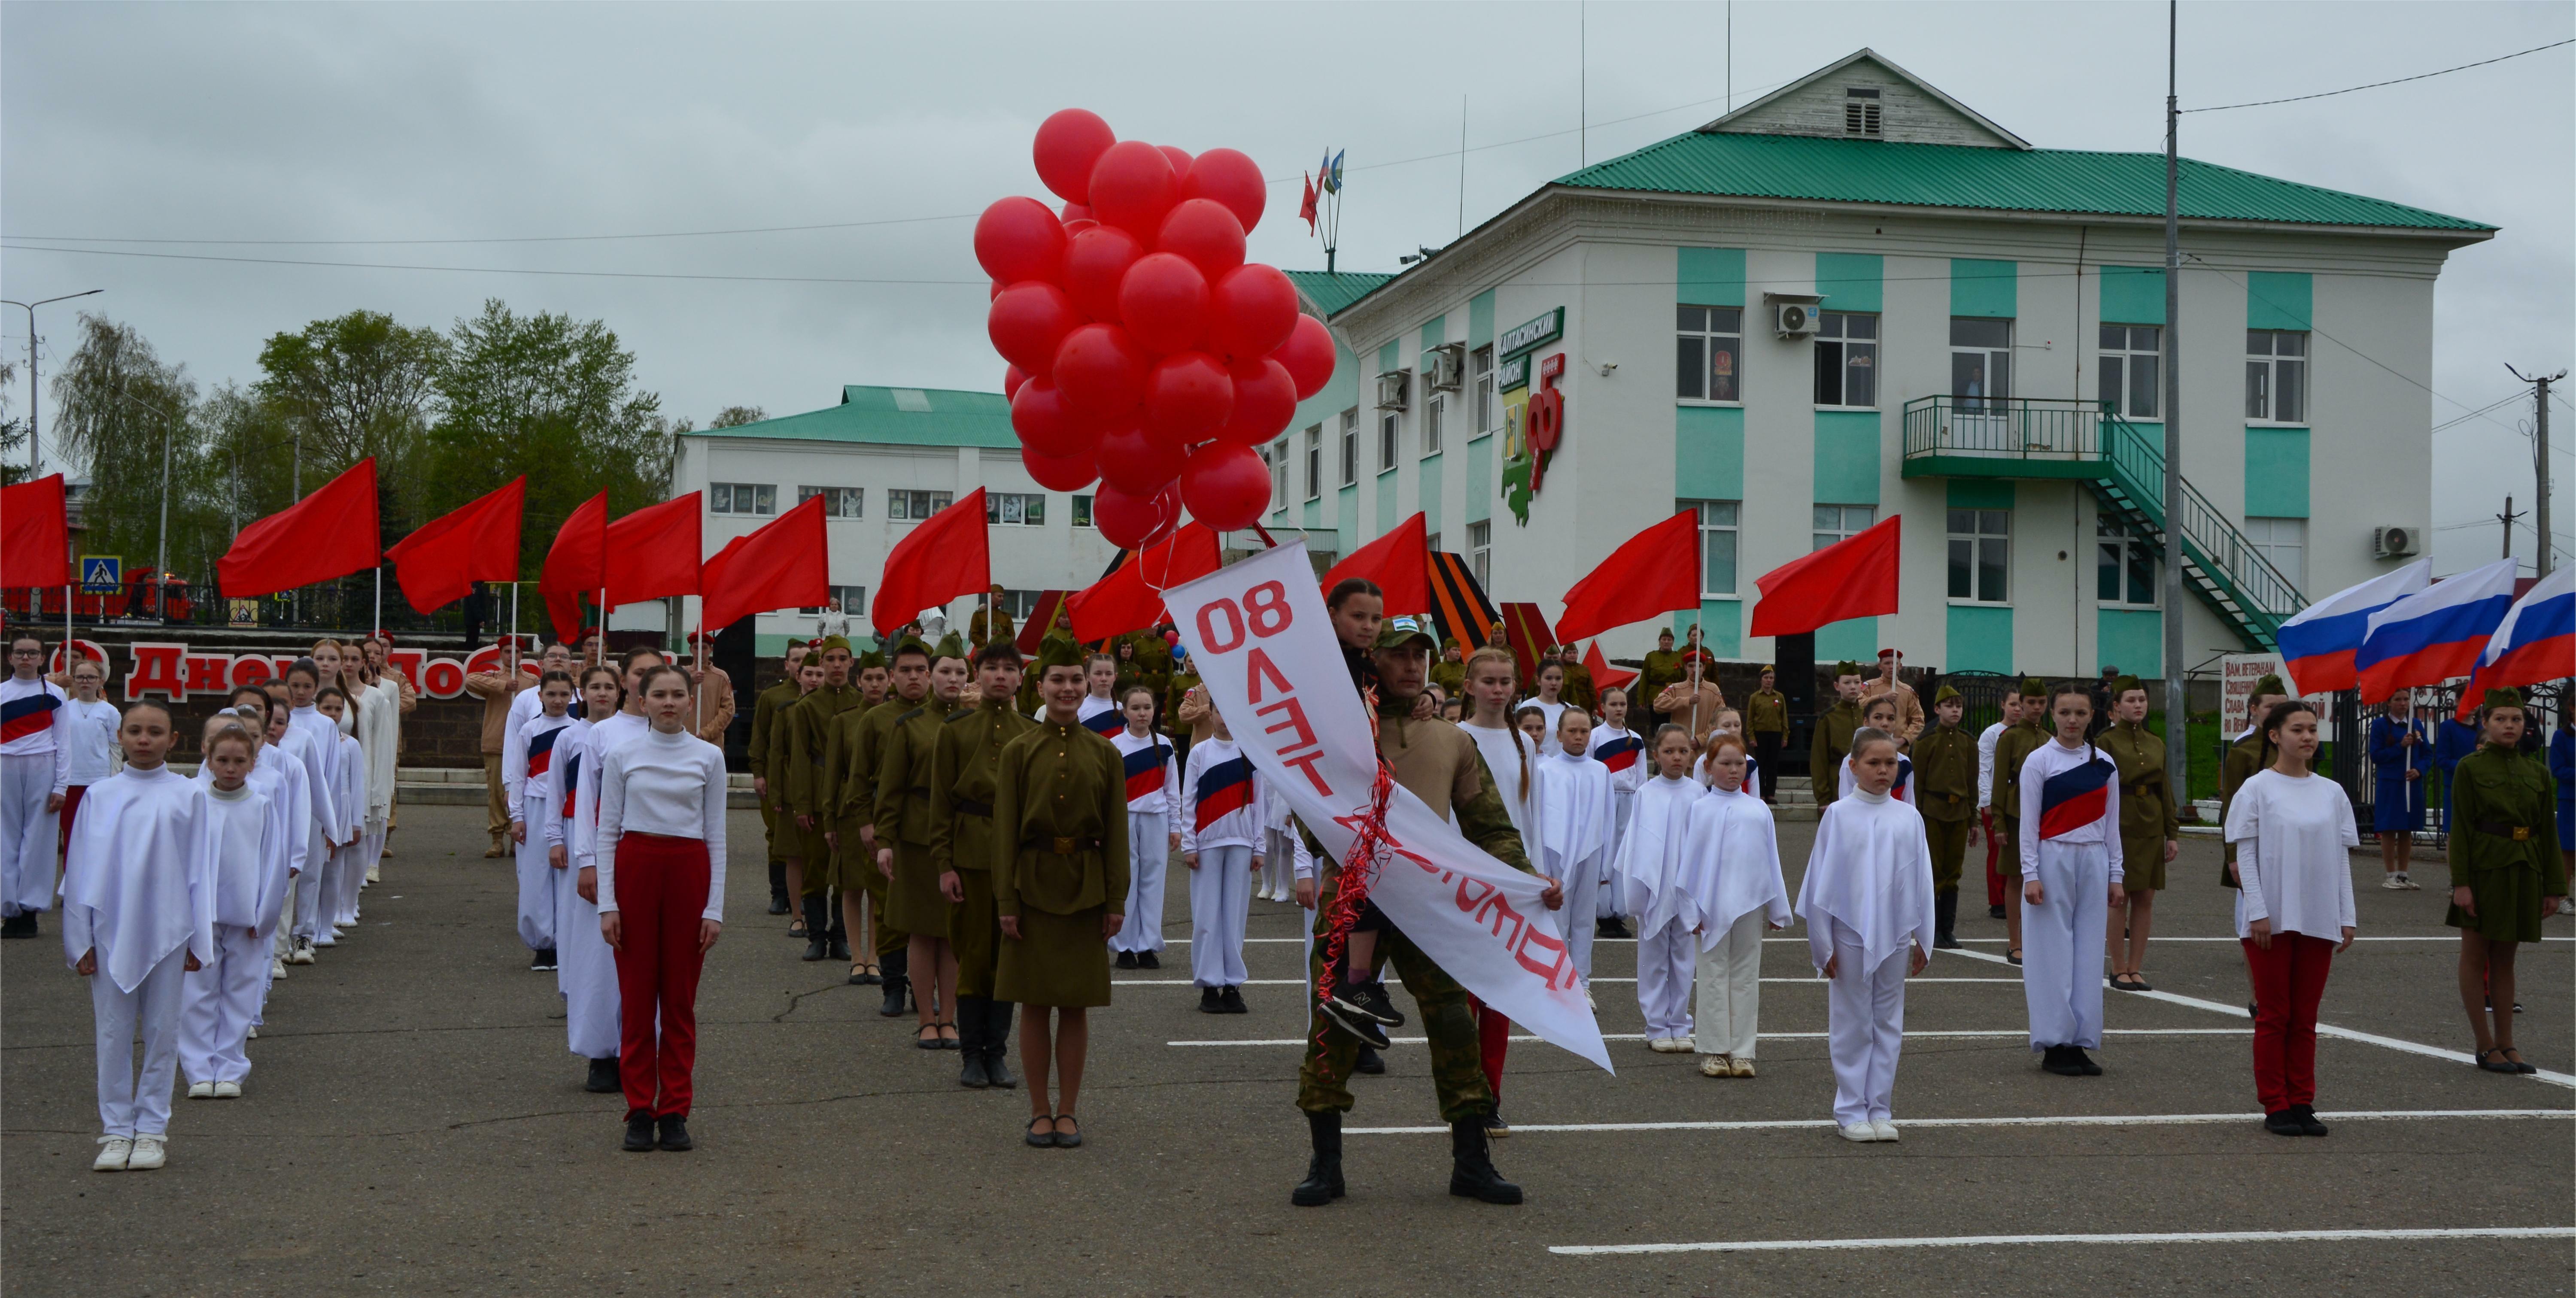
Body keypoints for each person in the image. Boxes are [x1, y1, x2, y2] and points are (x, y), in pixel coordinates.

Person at [1291, 616, 1553, 1208]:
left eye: (1421, 655)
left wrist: (1525, 878)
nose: (1413, 665)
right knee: (1331, 1030)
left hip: (1429, 906)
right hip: (1352, 905)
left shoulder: (1451, 739)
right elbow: (1311, 824)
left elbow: (1491, 826)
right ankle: (1325, 1166)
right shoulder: (1343, 738)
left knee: (1456, 1028)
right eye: (1399, 654)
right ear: (1373, 662)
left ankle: (1471, 1161)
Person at [62, 700, 214, 1172]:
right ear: (121, 737)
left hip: (170, 929)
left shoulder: (189, 795)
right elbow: (79, 867)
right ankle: (115, 1130)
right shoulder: (100, 796)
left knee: (162, 1031)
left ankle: (151, 1129)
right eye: (134, 731)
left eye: (154, 732)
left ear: (173, 740)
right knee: (111, 1033)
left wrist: (199, 940)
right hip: (110, 930)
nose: (143, 739)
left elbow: (199, 872)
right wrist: (79, 939)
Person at [993, 638, 1127, 1149]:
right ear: (1041, 685)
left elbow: (1117, 833)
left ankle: (1068, 1110)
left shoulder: (1105, 753)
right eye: (1058, 680)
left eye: (1076, 679)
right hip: (1032, 888)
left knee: (1075, 1005)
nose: (1068, 689)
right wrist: (1006, 901)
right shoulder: (1018, 751)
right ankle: (1038, 1110)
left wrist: (1116, 899)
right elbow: (1005, 831)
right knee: (1033, 1003)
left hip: (1087, 889)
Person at [596, 663, 726, 1153]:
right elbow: (608, 830)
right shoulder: (623, 753)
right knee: (636, 999)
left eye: (678, 694)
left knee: (678, 1001)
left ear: (691, 701)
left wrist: (713, 908)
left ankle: (674, 1109)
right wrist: (609, 903)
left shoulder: (709, 757)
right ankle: (638, 1110)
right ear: (642, 700)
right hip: (636, 869)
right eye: (660, 695)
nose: (669, 703)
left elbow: (717, 836)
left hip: (688, 870)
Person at [2225, 698, 2358, 1136]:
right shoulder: (2258, 788)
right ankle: (2275, 1104)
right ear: (2275, 735)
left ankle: (2302, 1100)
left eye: (2312, 730)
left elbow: (2340, 858)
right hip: (2271, 921)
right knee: (2275, 1014)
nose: (2307, 737)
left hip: (2318, 916)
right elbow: (2245, 853)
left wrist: (2346, 914)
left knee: (2305, 1017)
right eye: (2298, 729)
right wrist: (2259, 911)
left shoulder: (2331, 792)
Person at [1796, 725, 1934, 1143]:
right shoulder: (1839, 815)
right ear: (1853, 766)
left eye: (1890, 763)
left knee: (1888, 1022)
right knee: (1853, 1020)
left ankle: (1881, 1107)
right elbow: (1822, 882)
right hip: (1850, 934)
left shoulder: (1909, 817)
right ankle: (1850, 1109)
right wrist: (1822, 944)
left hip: (1894, 934)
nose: (1883, 770)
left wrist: (1923, 938)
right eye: (1873, 763)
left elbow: (1922, 879)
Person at [930, 638, 1037, 1088]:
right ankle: (972, 1055)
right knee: (974, 956)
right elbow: (941, 805)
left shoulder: (1031, 733)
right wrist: (944, 864)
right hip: (970, 855)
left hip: (1016, 859)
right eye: (990, 668)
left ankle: (998, 1053)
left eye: (1008, 669)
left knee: (1009, 957)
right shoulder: (955, 731)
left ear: (1020, 678)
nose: (999, 676)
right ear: (978, 675)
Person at [2447, 688, 2566, 1075]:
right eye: (2500, 719)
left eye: (2516, 719)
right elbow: (2460, 828)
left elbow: (2548, 831)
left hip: (2523, 868)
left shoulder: (2537, 772)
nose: (2509, 726)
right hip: (2484, 868)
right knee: (2476, 952)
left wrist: (2555, 886)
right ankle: (2484, 1045)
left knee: (2506, 959)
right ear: (2486, 724)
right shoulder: (2471, 767)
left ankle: (2507, 1043)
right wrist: (2461, 883)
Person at [1456, 645, 1545, 1129]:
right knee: (1463, 999)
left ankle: (1490, 1095)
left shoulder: (1523, 744)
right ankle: (1462, 1093)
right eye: (1488, 681)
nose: (1497, 689)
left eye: (1505, 682)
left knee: (1500, 1000)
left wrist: (1538, 877)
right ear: (1468, 686)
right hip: (1466, 882)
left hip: (1512, 884)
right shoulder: (1453, 738)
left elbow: (1530, 820)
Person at [2018, 685, 2124, 1077]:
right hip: (2053, 857)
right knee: (2051, 953)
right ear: (2053, 715)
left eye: (2080, 713)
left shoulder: (2106, 764)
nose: (2072, 720)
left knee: (2087, 953)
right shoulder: (2039, 761)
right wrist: (2030, 873)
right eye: (2065, 712)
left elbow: (2112, 825)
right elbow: (2028, 825)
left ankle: (2080, 1041)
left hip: (2094, 858)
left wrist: (2117, 874)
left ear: (2091, 716)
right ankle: (2054, 1042)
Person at [178, 717, 282, 1100]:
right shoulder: (193, 801)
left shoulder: (261, 805)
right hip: (199, 916)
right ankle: (198, 1068)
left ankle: (231, 1066)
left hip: (247, 915)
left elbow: (274, 862)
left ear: (253, 763)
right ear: (208, 758)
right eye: (223, 760)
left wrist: (266, 914)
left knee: (241, 990)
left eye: (240, 761)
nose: (231, 768)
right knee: (198, 991)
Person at [878, 633, 972, 1049]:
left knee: (951, 933)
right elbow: (891, 788)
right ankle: (926, 1018)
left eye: (959, 672)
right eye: (945, 672)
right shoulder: (910, 725)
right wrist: (884, 839)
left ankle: (950, 1018)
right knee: (921, 931)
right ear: (932, 676)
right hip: (916, 839)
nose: (952, 679)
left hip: (961, 837)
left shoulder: (975, 721)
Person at [1680, 732, 1791, 1077]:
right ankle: (1714, 1050)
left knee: (1745, 975)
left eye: (1739, 763)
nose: (1733, 770)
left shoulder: (1758, 809)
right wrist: (1690, 909)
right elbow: (1689, 862)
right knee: (1712, 973)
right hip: (1710, 905)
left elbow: (1770, 859)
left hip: (1749, 904)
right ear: (1709, 767)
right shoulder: (1699, 809)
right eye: (1725, 764)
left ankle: (1742, 1050)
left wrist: (1776, 906)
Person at [835, 640, 928, 1013]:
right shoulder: (875, 719)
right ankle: (893, 986)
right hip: (886, 822)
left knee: (927, 912)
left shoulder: (947, 717)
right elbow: (857, 778)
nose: (913, 677)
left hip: (929, 824)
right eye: (905, 671)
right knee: (888, 907)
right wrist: (866, 823)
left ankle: (924, 988)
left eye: (920, 670)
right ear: (893, 677)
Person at [550, 664, 626, 1093]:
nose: (603, 693)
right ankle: (600, 1050)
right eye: (594, 686)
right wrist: (574, 850)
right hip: (590, 842)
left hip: (644, 851)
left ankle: (642, 1046)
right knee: (593, 948)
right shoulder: (579, 737)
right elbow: (569, 799)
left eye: (608, 686)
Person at [1614, 725, 1703, 1053]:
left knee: (1684, 959)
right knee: (1653, 959)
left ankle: (1680, 1023)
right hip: (1654, 887)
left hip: (1686, 888)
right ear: (1656, 756)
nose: (1677, 757)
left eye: (1682, 751)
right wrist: (1637, 893)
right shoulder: (1646, 793)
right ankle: (1656, 1025)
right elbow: (1637, 844)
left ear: (1691, 754)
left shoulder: (1698, 793)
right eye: (1669, 751)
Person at [1179, 700, 1262, 1015]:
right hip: (1207, 843)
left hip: (1241, 843)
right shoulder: (1200, 752)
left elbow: (1259, 802)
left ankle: (1232, 985)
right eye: (1219, 712)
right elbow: (1190, 800)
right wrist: (1190, 844)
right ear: (1210, 714)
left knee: (1234, 917)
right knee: (1206, 917)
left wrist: (1259, 847)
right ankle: (1209, 986)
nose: (1224, 719)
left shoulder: (1249, 752)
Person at [786, 638, 864, 964]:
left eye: (841, 659)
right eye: (829, 659)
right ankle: (817, 936)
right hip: (817, 794)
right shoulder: (807, 706)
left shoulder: (862, 703)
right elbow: (800, 759)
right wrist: (802, 805)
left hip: (850, 798)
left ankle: (842, 937)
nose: (835, 665)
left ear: (851, 663)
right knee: (817, 868)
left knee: (846, 872)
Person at [2099, 676, 2179, 991]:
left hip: (2151, 823)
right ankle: (2118, 967)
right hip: (2120, 823)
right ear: (2116, 707)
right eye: (2131, 700)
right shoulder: (2106, 742)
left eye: (2142, 700)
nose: (2138, 706)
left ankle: (2136, 967)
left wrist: (2171, 833)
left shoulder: (2155, 742)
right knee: (2120, 897)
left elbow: (2166, 789)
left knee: (2146, 896)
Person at [1102, 683, 1180, 974]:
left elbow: (1172, 790)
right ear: (1124, 712)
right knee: (1128, 882)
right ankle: (1124, 947)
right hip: (1124, 819)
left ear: (1155, 709)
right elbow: (1107, 793)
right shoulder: (1113, 747)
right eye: (1135, 708)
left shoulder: (1164, 744)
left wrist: (1176, 827)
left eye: (1147, 707)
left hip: (1156, 819)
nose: (1142, 713)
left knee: (1153, 882)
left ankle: (1148, 945)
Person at [1537, 705, 1613, 993]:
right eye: (1572, 731)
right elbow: (1539, 820)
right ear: (1559, 735)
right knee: (1557, 920)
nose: (1578, 737)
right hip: (1554, 853)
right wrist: (1540, 866)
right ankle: (1555, 981)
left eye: (1584, 731)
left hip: (1591, 852)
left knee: (1583, 921)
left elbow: (1608, 819)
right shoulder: (1546, 771)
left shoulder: (1600, 771)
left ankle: (1581, 983)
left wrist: (1606, 865)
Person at [275, 660, 346, 967]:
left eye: (307, 686)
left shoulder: (324, 725)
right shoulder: (278, 721)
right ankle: (278, 937)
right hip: (281, 809)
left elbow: (328, 772)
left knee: (310, 874)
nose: (301, 692)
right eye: (295, 686)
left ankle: (303, 934)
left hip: (312, 810)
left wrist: (327, 818)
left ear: (317, 688)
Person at [507, 671, 579, 974]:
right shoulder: (530, 730)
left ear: (574, 697)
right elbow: (518, 775)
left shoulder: (579, 731)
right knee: (536, 875)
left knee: (567, 876)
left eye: (564, 694)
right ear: (540, 696)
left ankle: (567, 941)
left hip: (568, 808)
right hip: (536, 806)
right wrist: (517, 816)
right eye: (552, 694)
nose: (558, 700)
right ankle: (542, 945)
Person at [1, 634, 70, 937]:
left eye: (32, 653)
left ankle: (30, 910)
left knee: (39, 840)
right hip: (5, 763)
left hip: (43, 764)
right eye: (20, 653)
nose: (26, 658)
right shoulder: (1, 693)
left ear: (43, 659)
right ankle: (9, 909)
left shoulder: (56, 694)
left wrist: (62, 786)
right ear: (10, 658)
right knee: (5, 839)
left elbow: (65, 742)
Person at [1912, 685, 1978, 949]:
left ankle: (1948, 930)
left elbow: (1972, 783)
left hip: (1959, 812)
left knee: (1954, 872)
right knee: (1935, 872)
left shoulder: (1968, 743)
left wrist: (1973, 820)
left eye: (1959, 706)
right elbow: (1917, 784)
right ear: (1937, 710)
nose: (1955, 711)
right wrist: (1916, 818)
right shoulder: (1926, 742)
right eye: (1949, 706)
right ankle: (1933, 929)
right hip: (1932, 812)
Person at [1992, 678, 2053, 963]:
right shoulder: (2011, 737)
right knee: (2017, 878)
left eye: (2042, 703)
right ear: (2022, 704)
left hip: (2046, 815)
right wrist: (1999, 823)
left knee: (2044, 878)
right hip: (2017, 813)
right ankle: (2015, 942)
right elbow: (2000, 783)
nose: (2037, 708)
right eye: (2031, 703)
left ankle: (2038, 939)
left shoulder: (2050, 737)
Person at [771, 651, 826, 947]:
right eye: (810, 674)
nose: (815, 679)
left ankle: (822, 918)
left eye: (820, 674)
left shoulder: (832, 708)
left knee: (820, 858)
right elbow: (778, 753)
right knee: (795, 856)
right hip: (793, 792)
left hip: (823, 791)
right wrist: (777, 793)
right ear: (798, 676)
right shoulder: (787, 710)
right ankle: (797, 914)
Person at [744, 645, 804, 916]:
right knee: (776, 836)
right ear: (786, 665)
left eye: (807, 661)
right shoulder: (773, 697)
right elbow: (760, 738)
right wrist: (759, 774)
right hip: (777, 775)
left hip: (809, 779)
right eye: (796, 660)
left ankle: (804, 898)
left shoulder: (820, 695)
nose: (801, 665)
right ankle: (779, 893)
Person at [465, 637, 536, 859]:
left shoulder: (533, 681)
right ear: (500, 654)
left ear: (522, 655)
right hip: (497, 743)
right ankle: (497, 838)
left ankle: (518, 837)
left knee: (522, 792)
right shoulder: (493, 677)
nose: (512, 656)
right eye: (507, 652)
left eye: (516, 652)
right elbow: (469, 681)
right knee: (496, 793)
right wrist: (503, 685)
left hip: (525, 746)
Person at [1587, 687, 1645, 941]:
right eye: (1613, 704)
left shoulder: (1637, 739)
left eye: (1623, 704)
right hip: (1605, 799)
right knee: (1605, 854)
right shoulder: (1594, 737)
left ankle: (1619, 912)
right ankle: (1602, 913)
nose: (1619, 709)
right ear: (1603, 708)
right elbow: (1589, 770)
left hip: (1629, 800)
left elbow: (1642, 777)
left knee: (1625, 856)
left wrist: (1641, 805)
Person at [2369, 690, 2432, 890]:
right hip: (2391, 783)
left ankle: (2403, 874)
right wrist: (2400, 746)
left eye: (2406, 699)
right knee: (2389, 828)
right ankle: (2390, 875)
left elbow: (2428, 754)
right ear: (2389, 702)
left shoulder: (2416, 725)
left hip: (2411, 783)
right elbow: (2376, 755)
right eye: (2398, 700)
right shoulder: (2380, 726)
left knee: (2407, 828)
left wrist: (2419, 771)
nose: (2403, 703)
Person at [57, 658, 119, 860]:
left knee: (98, 835)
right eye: (80, 677)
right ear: (74, 680)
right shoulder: (64, 709)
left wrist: (115, 778)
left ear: (100, 681)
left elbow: (116, 747)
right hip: (70, 781)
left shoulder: (110, 712)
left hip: (99, 781)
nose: (85, 681)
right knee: (71, 835)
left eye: (91, 677)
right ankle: (70, 885)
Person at [1976, 689, 2024, 920]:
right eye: (2013, 704)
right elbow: (1984, 770)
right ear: (2003, 705)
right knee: (1998, 851)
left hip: (2021, 801)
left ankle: (2019, 897)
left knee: (2021, 852)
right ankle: (1998, 900)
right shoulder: (1991, 734)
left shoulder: (2028, 734)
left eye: (2020, 705)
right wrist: (1986, 802)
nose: (2017, 710)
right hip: (1998, 801)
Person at [1808, 662, 1866, 810]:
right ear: (1837, 686)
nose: (1853, 687)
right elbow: (1819, 760)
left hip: (1865, 782)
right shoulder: (1828, 718)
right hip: (1836, 784)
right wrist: (1823, 797)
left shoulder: (1868, 715)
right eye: (1847, 683)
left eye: (1857, 682)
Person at [1653, 633, 1726, 744]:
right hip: (1680, 745)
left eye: (1699, 666)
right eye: (1691, 666)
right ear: (1686, 668)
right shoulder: (1676, 688)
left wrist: (1701, 739)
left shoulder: (1713, 690)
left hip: (1704, 749)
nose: (1695, 670)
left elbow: (1722, 718)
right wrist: (1687, 701)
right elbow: (1658, 705)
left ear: (1704, 668)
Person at [1860, 649, 1925, 743]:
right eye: (1887, 663)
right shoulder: (1870, 687)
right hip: (1871, 744)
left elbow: (1918, 720)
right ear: (1880, 666)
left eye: (1895, 664)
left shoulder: (1907, 691)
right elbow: (1859, 705)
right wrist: (1882, 697)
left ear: (1901, 666)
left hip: (1899, 749)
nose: (1891, 667)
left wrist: (1904, 739)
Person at [1744, 667, 1787, 804]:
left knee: (1773, 765)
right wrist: (1751, 737)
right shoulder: (1755, 697)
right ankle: (1761, 794)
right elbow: (1750, 719)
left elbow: (1784, 717)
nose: (1769, 681)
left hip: (1776, 734)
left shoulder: (1779, 697)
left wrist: (1785, 736)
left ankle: (1771, 794)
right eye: (1766, 678)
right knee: (1761, 765)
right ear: (1761, 679)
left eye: (1771, 678)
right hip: (1760, 735)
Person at [1637, 628, 1681, 728]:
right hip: (1655, 696)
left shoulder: (1679, 657)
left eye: (1669, 640)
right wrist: (1641, 700)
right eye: (1664, 639)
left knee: (1672, 725)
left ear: (1673, 642)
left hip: (1674, 696)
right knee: (1657, 726)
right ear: (1660, 641)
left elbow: (1684, 679)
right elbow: (1644, 679)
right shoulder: (1651, 657)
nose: (1666, 642)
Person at [1516, 659, 1569, 740]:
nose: (1554, 683)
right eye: (1549, 678)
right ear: (1538, 681)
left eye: (1558, 679)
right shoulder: (1528, 706)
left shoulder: (1569, 709)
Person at [1075, 653, 1124, 734]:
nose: (1104, 679)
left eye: (1109, 674)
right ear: (1087, 676)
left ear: (1115, 677)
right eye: (1098, 674)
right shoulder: (1078, 709)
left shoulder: (1123, 709)